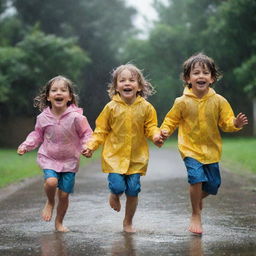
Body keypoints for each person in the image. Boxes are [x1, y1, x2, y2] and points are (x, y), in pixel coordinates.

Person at [156, 53, 248, 235]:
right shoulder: (181, 102)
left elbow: (226, 122)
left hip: (212, 150)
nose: (201, 76)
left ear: (212, 78)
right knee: (196, 178)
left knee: (213, 185)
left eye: (205, 73)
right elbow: (170, 121)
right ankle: (195, 214)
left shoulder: (219, 101)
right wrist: (164, 132)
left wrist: (235, 124)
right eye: (196, 72)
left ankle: (196, 197)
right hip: (190, 149)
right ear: (187, 79)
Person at [82, 64, 160, 233]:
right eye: (122, 80)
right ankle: (114, 194)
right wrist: (90, 146)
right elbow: (101, 130)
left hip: (136, 158)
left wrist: (156, 136)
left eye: (132, 80)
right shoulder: (110, 108)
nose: (127, 83)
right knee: (118, 186)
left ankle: (128, 222)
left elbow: (151, 127)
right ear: (116, 86)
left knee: (133, 190)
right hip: (114, 157)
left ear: (139, 86)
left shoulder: (146, 107)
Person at [17, 75, 92, 232]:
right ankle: (50, 201)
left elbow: (86, 134)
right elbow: (37, 134)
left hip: (70, 161)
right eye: (54, 90)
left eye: (63, 90)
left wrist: (88, 147)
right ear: (48, 97)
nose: (59, 93)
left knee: (64, 196)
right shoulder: (43, 117)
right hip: (49, 157)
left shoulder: (77, 117)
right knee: (51, 182)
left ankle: (59, 222)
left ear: (69, 96)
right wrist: (26, 145)